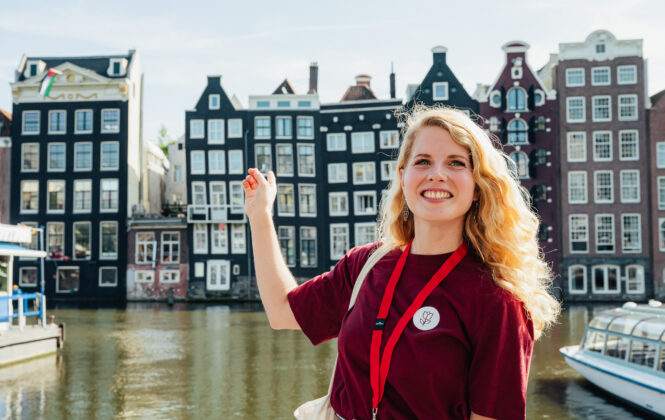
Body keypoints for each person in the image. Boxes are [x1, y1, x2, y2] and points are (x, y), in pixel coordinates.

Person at [242, 105, 560, 420]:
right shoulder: (365, 265)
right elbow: (282, 311)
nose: (437, 174)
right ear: (403, 176)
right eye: (423, 161)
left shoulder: (498, 303)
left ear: (477, 187)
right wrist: (260, 216)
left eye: (456, 163)